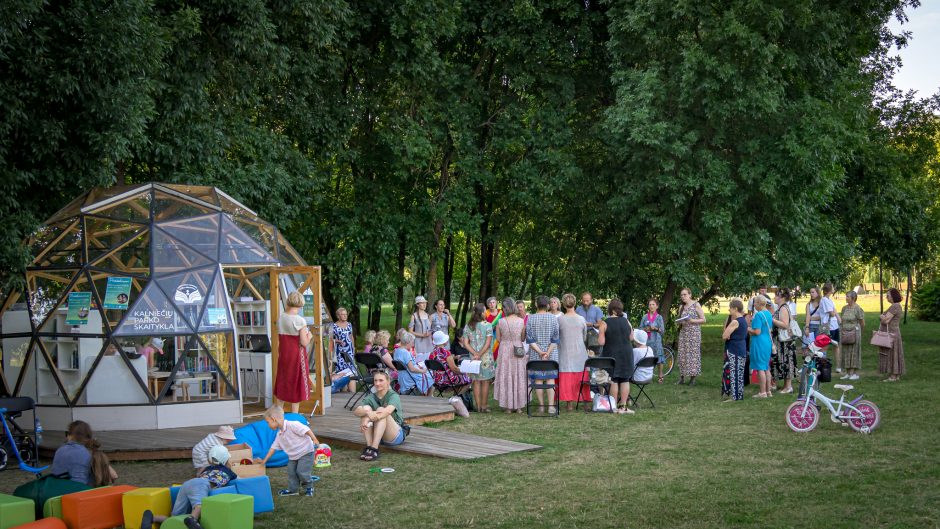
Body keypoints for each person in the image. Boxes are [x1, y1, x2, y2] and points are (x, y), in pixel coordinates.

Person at [141, 445, 236, 529]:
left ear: (210, 459)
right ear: (226, 460)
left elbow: (199, 475)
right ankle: (192, 519)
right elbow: (237, 482)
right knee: (199, 506)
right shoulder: (229, 472)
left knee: (176, 518)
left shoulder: (207, 469)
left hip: (187, 484)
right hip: (201, 484)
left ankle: (152, 517)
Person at [256, 405, 319, 496]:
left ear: (274, 419)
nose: (267, 425)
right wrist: (264, 461)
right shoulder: (279, 434)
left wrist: (314, 439)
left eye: (267, 422)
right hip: (293, 456)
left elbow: (306, 429)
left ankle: (309, 487)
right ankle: (293, 490)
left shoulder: (292, 424)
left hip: (306, 452)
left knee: (301, 471)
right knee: (292, 472)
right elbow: (273, 448)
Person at [354, 370, 406, 461]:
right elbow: (356, 411)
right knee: (365, 409)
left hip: (395, 435)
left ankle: (374, 449)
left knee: (381, 410)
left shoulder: (394, 396)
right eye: (375, 380)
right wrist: (367, 413)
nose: (377, 383)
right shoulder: (371, 396)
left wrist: (366, 420)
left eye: (381, 380)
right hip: (379, 435)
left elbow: (387, 411)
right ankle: (369, 447)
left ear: (388, 381)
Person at [275, 291, 312, 413]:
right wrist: (310, 335)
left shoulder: (281, 318)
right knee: (296, 384)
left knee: (283, 382)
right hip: (297, 356)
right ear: (301, 304)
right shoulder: (300, 320)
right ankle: (294, 416)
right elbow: (304, 342)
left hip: (284, 355)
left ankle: (278, 414)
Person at [51, 420, 117, 486]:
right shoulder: (88, 454)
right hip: (81, 493)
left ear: (70, 435)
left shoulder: (60, 450)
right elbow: (114, 476)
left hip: (57, 492)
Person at [597, 298, 634, 414]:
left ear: (611, 310)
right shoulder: (626, 321)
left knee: (614, 379)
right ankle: (623, 406)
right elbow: (631, 338)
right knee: (624, 379)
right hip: (627, 353)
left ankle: (613, 407)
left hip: (612, 354)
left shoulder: (604, 323)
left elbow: (601, 342)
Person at [527, 295, 561, 414]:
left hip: (536, 355)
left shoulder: (531, 318)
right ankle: (551, 406)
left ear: (536, 305)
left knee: (538, 380)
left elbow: (530, 339)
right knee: (550, 379)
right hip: (550, 354)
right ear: (547, 305)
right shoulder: (553, 318)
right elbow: (556, 339)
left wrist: (540, 352)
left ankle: (541, 406)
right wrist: (547, 352)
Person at [494, 297, 528, 413]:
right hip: (518, 348)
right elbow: (523, 338)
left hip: (505, 349)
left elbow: (498, 338)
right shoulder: (521, 321)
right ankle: (519, 406)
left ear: (505, 308)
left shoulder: (501, 321)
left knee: (506, 374)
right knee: (518, 374)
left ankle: (508, 406)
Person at [556, 293, 588, 411]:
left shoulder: (560, 319)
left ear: (563, 305)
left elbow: (557, 336)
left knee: (567, 375)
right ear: (575, 303)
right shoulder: (581, 319)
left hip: (565, 351)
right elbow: (584, 336)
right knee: (582, 376)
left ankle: (569, 404)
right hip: (579, 351)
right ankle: (585, 402)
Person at [462, 303, 495, 412]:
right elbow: (488, 342)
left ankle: (478, 406)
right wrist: (480, 354)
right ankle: (484, 406)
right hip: (485, 357)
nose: (486, 312)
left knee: (475, 381)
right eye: (485, 310)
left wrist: (474, 354)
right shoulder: (488, 325)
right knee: (485, 382)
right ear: (481, 313)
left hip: (473, 357)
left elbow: (465, 343)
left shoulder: (468, 326)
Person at [676, 288, 706, 385]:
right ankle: (682, 378)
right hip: (683, 333)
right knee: (682, 354)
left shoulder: (696, 305)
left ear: (690, 295)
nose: (683, 297)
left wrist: (692, 321)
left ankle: (693, 379)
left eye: (685, 294)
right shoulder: (681, 307)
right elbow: (679, 319)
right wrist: (679, 321)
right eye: (681, 295)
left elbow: (703, 320)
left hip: (693, 334)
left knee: (693, 355)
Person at [721, 298, 748, 402]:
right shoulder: (744, 320)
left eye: (730, 309)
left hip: (734, 348)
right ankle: (739, 395)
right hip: (741, 347)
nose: (729, 311)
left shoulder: (735, 322)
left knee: (734, 372)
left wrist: (728, 335)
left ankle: (735, 397)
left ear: (735, 309)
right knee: (739, 372)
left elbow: (724, 335)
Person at [747, 295, 774, 398]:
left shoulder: (758, 315)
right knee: (766, 367)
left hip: (759, 343)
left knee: (760, 368)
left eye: (755, 303)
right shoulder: (768, 314)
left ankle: (762, 392)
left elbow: (757, 332)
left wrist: (747, 328)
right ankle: (768, 391)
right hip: (767, 342)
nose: (754, 305)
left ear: (759, 303)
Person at [771, 288, 797, 394]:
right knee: (783, 361)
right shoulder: (781, 307)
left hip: (785, 341)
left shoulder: (783, 308)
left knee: (787, 361)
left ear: (782, 297)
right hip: (781, 340)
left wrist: (772, 319)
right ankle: (786, 386)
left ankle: (788, 387)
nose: (774, 297)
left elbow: (785, 324)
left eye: (776, 295)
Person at [878, 288, 906, 382]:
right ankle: (895, 374)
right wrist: (883, 316)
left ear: (894, 296)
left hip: (892, 333)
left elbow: (886, 320)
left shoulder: (895, 306)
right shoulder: (895, 306)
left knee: (893, 353)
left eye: (888, 295)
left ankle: (893, 376)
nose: (887, 297)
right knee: (894, 353)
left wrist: (881, 316)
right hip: (893, 332)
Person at [840, 291, 865, 380]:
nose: (846, 298)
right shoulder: (844, 308)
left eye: (848, 297)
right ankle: (847, 372)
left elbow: (862, 322)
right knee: (846, 351)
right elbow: (842, 320)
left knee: (854, 352)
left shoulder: (857, 308)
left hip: (854, 332)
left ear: (853, 298)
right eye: (846, 296)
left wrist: (859, 331)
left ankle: (854, 373)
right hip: (845, 333)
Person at [331, 307, 356, 392]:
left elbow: (351, 336)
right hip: (340, 351)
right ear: (338, 316)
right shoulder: (334, 326)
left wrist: (353, 347)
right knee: (342, 371)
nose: (345, 316)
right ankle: (343, 391)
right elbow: (330, 339)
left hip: (349, 351)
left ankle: (351, 391)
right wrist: (337, 341)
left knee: (351, 370)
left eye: (346, 314)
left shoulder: (349, 324)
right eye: (343, 314)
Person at [640, 298, 666, 383]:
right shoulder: (644, 317)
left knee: (659, 358)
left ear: (657, 306)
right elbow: (640, 329)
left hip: (656, 341)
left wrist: (655, 328)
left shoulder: (659, 317)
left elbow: (662, 331)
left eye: (653, 304)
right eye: (650, 304)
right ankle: (647, 376)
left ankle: (660, 375)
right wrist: (645, 329)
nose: (651, 306)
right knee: (648, 358)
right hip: (647, 341)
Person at [820, 283, 842, 372]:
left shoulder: (829, 300)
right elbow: (832, 313)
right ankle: (822, 366)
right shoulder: (824, 300)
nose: (834, 288)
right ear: (829, 290)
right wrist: (834, 313)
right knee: (825, 346)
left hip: (834, 326)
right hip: (827, 327)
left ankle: (838, 366)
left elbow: (835, 311)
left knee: (836, 345)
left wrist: (839, 319)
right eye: (832, 287)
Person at [408, 296, 433, 361]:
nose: (424, 304)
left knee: (429, 360)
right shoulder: (414, 316)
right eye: (422, 303)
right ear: (417, 305)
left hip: (428, 342)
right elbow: (410, 331)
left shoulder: (428, 315)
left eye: (425, 303)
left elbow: (430, 329)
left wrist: (430, 332)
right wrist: (422, 335)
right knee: (420, 361)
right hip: (419, 342)